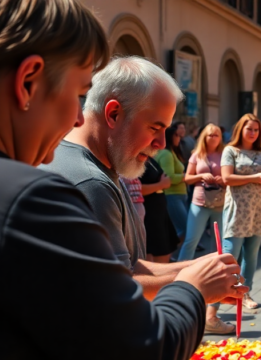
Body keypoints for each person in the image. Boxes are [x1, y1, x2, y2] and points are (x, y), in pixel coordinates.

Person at [0, 1, 248, 360]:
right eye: (77, 94)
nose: (74, 116)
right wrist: (191, 289)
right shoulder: (25, 196)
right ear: (28, 81)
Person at [42, 56, 207, 296]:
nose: (161, 143)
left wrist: (199, 267)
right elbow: (117, 290)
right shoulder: (90, 181)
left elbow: (129, 266)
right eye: (155, 128)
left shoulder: (98, 167)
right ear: (114, 114)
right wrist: (197, 284)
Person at [178, 124, 234, 334]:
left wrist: (222, 180)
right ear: (204, 136)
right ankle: (180, 277)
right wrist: (202, 177)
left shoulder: (224, 154)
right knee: (191, 241)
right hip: (200, 203)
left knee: (217, 246)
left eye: (217, 134)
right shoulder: (196, 154)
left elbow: (230, 178)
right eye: (210, 134)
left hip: (220, 203)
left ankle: (214, 281)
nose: (213, 137)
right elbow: (187, 177)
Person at [222, 114, 261, 310]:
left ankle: (245, 293)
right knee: (230, 254)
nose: (252, 133)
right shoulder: (231, 150)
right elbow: (226, 178)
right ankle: (223, 292)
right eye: (249, 129)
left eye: (256, 130)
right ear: (240, 130)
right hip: (237, 208)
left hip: (258, 208)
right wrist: (254, 178)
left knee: (251, 255)